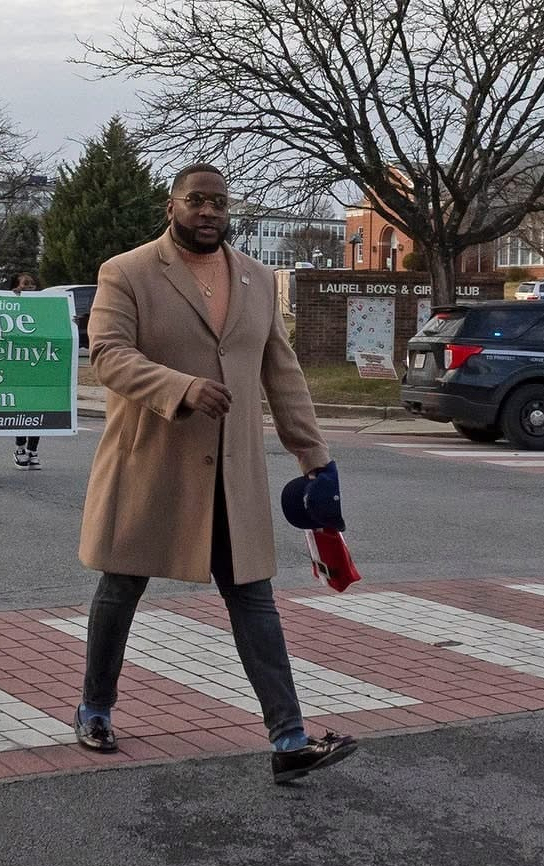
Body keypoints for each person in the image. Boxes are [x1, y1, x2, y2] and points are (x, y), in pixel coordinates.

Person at [72, 162, 358, 784]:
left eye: (219, 203)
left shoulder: (255, 279)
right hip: (150, 463)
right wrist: (180, 387)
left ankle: (289, 738)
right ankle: (95, 707)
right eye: (196, 200)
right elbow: (110, 355)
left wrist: (315, 459)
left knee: (254, 600)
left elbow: (282, 374)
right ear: (172, 206)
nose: (208, 212)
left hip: (232, 473)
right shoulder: (127, 272)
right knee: (120, 591)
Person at [8, 271, 43, 468]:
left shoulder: (43, 305)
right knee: (22, 408)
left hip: (37, 363)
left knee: (37, 408)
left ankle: (33, 450)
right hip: (18, 364)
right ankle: (20, 448)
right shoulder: (9, 304)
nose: (28, 287)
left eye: (32, 284)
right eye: (24, 284)